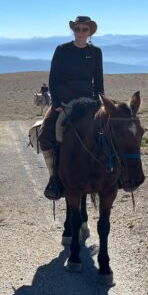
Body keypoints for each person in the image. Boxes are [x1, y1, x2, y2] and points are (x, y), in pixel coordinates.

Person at [38, 15, 104, 200]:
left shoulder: (96, 52)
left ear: (90, 32)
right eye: (78, 29)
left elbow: (98, 80)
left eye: (85, 29)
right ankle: (54, 177)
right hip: (64, 100)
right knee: (44, 136)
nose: (81, 33)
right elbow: (53, 79)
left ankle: (114, 172)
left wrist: (100, 103)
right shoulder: (62, 50)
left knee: (109, 129)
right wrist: (57, 104)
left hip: (88, 100)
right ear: (73, 30)